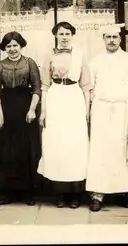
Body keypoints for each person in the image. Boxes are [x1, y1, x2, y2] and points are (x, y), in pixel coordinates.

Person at [86, 23, 128, 212]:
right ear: (103, 39)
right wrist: (91, 110)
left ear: (120, 39)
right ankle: (98, 195)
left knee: (122, 150)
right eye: (108, 37)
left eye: (115, 37)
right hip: (102, 110)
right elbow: (90, 87)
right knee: (101, 151)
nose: (111, 40)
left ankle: (123, 192)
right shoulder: (95, 61)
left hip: (123, 110)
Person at [37, 21, 92, 209]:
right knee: (57, 145)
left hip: (74, 98)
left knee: (75, 146)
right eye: (61, 34)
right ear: (56, 36)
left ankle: (75, 194)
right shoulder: (49, 56)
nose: (64, 37)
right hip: (56, 98)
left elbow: (86, 87)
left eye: (68, 33)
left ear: (72, 35)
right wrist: (43, 111)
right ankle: (60, 194)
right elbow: (44, 86)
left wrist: (86, 111)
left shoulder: (80, 56)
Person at [0, 31, 42, 206]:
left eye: (15, 45)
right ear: (5, 48)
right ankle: (6, 192)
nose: (12, 49)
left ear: (21, 46)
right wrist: (0, 116)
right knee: (6, 150)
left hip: (26, 109)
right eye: (9, 46)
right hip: (6, 108)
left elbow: (36, 89)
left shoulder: (29, 63)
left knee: (26, 148)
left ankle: (28, 192)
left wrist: (32, 110)